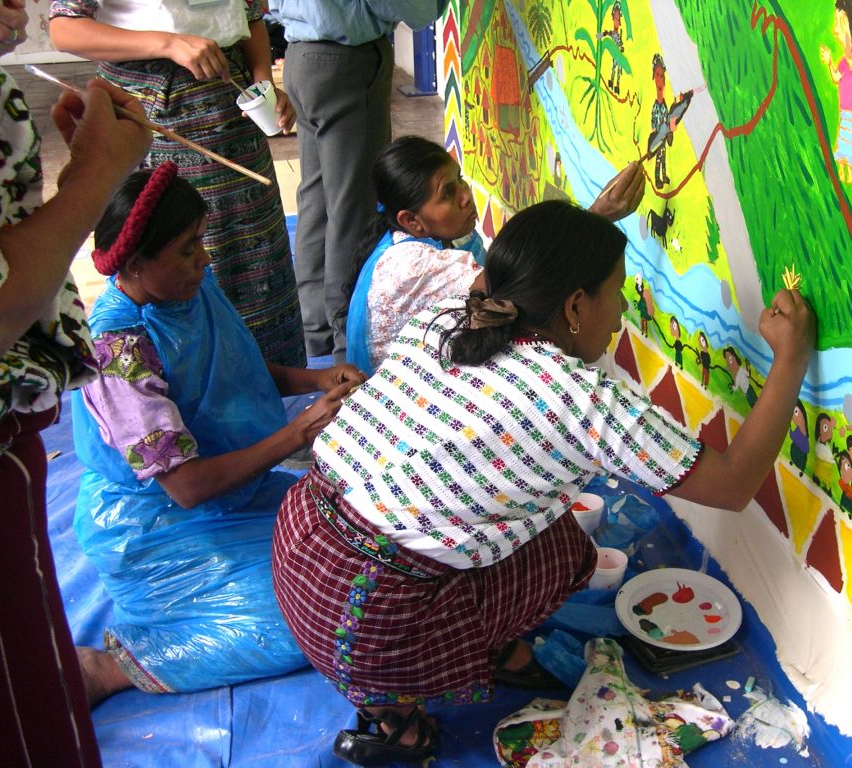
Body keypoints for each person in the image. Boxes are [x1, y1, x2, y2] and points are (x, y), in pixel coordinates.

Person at [271, 200, 814, 765]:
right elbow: (733, 485)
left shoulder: (448, 315)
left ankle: (463, 660)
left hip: (298, 551)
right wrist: (790, 357)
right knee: (564, 552)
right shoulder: (581, 400)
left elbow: (502, 276)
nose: (621, 313)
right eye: (618, 293)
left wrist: (591, 222)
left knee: (539, 522)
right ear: (575, 305)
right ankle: (396, 711)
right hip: (373, 629)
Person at [71, 163, 364, 704]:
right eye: (187, 249)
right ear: (135, 264)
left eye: (200, 241)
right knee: (315, 616)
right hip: (156, 523)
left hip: (238, 492)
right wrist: (298, 432)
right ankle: (111, 669)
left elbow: (235, 370)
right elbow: (186, 487)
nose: (204, 259)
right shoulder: (119, 354)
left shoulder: (185, 290)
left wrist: (316, 379)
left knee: (365, 548)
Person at [0, 8, 153, 761]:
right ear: (137, 261)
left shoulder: (187, 307)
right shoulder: (124, 342)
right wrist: (93, 177)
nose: (15, 11)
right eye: (190, 251)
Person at [49, 0, 306, 367]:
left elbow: (249, 17)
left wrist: (261, 84)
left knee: (256, 259)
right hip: (152, 117)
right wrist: (167, 43)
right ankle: (189, 385)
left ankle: (271, 381)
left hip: (232, 111)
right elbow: (64, 28)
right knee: (177, 253)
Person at [345, 135, 646, 375]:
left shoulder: (428, 238)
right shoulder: (412, 265)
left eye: (460, 179)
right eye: (448, 194)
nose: (465, 196)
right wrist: (596, 217)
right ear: (411, 221)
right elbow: (519, 282)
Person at [266, 1, 448, 362]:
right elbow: (415, 9)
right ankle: (345, 345)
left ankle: (317, 331)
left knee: (317, 200)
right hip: (344, 59)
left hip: (303, 53)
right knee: (353, 209)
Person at [819, 0, 852, 184]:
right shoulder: (844, 63)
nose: (834, 29)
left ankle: (848, 171)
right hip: (845, 111)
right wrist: (830, 62)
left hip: (850, 113)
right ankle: (843, 170)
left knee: (848, 139)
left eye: (837, 22)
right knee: (844, 139)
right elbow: (836, 77)